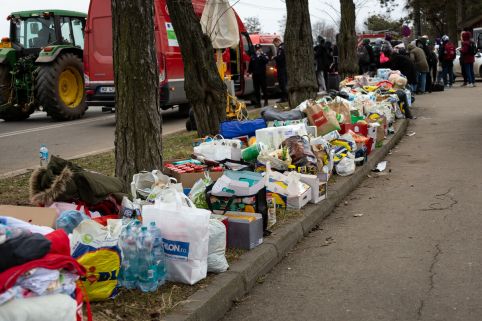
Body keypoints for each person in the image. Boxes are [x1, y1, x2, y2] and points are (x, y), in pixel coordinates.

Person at [273, 37, 288, 102]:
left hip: (282, 68)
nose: (275, 45)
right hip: (283, 68)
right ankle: (284, 97)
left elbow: (280, 58)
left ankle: (285, 98)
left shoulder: (281, 48)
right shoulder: (283, 47)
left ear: (277, 41)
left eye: (275, 44)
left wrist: (274, 57)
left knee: (283, 83)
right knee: (283, 83)